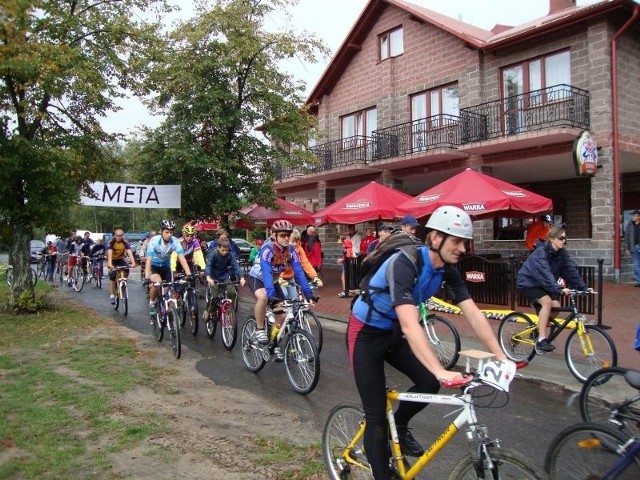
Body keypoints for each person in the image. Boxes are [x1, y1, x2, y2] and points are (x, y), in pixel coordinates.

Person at [347, 206, 510, 477]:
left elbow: (473, 313)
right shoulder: (405, 263)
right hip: (365, 334)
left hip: (392, 333)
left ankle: (398, 425)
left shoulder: (447, 269)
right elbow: (412, 326)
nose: (462, 249)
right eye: (456, 241)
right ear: (435, 239)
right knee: (376, 418)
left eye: (464, 243)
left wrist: (500, 356)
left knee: (428, 382)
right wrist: (440, 368)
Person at [517, 225, 593, 353]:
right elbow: (545, 273)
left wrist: (583, 287)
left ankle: (537, 329)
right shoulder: (541, 253)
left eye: (565, 239)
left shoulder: (562, 254)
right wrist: (558, 289)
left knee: (556, 305)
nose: (564, 241)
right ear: (552, 239)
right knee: (546, 302)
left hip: (545, 284)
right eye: (561, 238)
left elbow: (571, 271)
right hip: (529, 282)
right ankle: (541, 340)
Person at [247, 219, 315, 362]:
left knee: (282, 315)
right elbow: (266, 272)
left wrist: (308, 294)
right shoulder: (267, 249)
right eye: (283, 235)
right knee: (264, 297)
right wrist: (272, 296)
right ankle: (259, 329)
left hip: (275, 281)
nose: (286, 238)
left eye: (288, 235)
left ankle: (273, 343)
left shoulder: (291, 251)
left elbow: (299, 272)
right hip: (258, 278)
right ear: (274, 236)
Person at [145, 220, 192, 317]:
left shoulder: (175, 241)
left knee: (168, 290)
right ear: (161, 232)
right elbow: (148, 260)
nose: (169, 235)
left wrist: (189, 274)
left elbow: (182, 259)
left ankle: (166, 310)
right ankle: (152, 302)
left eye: (171, 232)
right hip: (154, 266)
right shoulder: (154, 241)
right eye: (166, 232)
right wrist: (146, 277)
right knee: (157, 283)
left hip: (166, 266)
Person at [203, 237, 245, 319]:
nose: (225, 252)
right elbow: (209, 266)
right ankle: (208, 310)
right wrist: (208, 277)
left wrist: (241, 277)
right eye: (223, 250)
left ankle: (229, 308)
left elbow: (235, 266)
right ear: (218, 247)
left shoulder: (230, 254)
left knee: (232, 291)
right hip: (213, 277)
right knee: (214, 296)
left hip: (224, 276)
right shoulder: (213, 253)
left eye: (227, 250)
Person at [280, 228, 323, 299]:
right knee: (284, 294)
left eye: (297, 241)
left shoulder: (299, 248)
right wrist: (280, 278)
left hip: (290, 276)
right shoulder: (282, 248)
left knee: (294, 299)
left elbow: (305, 263)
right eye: (293, 241)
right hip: (279, 277)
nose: (295, 243)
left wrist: (314, 276)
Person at [106, 228, 137, 304]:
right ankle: (112, 295)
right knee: (112, 276)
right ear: (115, 236)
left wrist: (133, 263)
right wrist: (110, 265)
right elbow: (109, 255)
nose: (120, 237)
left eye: (121, 235)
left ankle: (122, 281)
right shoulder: (111, 243)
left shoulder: (124, 242)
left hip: (120, 260)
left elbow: (129, 252)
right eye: (118, 235)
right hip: (113, 260)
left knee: (126, 269)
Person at [624, 210, 640, 286]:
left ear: (638, 217)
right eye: (632, 215)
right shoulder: (629, 225)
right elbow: (626, 238)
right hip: (634, 248)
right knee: (636, 266)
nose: (632, 217)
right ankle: (639, 281)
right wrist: (626, 248)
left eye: (634, 216)